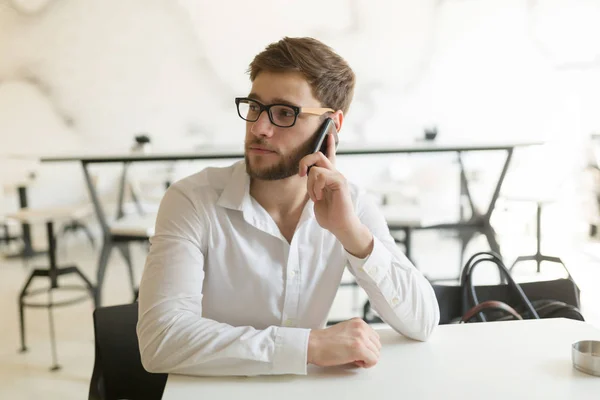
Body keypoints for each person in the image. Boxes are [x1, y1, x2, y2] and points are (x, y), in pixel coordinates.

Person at [137, 37, 439, 377]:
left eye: (284, 113)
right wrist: (309, 346)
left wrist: (351, 234)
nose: (259, 128)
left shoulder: (349, 204)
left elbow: (423, 321)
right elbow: (160, 341)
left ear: (331, 125)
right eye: (254, 107)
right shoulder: (192, 201)